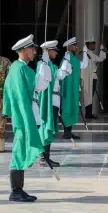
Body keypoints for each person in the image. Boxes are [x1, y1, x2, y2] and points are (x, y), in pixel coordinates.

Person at [3, 34, 51, 202]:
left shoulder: (21, 68)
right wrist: (26, 118)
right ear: (23, 50)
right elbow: (22, 97)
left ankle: (18, 190)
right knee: (18, 153)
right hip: (23, 118)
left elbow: (39, 85)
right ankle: (16, 191)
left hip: (25, 117)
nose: (34, 52)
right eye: (32, 49)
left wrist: (44, 65)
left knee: (21, 152)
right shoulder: (19, 69)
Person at [37, 40, 72, 167]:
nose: (56, 53)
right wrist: (66, 62)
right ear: (48, 51)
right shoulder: (44, 65)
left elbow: (61, 75)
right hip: (49, 102)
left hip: (53, 101)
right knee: (46, 128)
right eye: (54, 51)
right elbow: (61, 75)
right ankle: (43, 157)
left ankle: (45, 157)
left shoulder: (49, 65)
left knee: (48, 129)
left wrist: (66, 62)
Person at [60, 37, 88, 139]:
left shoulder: (72, 58)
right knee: (67, 110)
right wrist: (84, 52)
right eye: (75, 45)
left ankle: (68, 132)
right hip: (68, 90)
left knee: (71, 109)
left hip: (72, 89)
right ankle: (67, 132)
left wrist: (85, 52)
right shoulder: (67, 58)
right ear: (70, 46)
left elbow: (83, 65)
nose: (76, 47)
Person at [80, 37, 107, 119]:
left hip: (90, 76)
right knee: (88, 95)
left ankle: (89, 113)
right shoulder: (88, 53)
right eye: (93, 44)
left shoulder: (90, 53)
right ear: (89, 44)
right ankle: (88, 113)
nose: (94, 45)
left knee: (89, 95)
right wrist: (102, 50)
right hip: (89, 77)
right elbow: (100, 59)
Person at [0, 55, 11, 152]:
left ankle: (0, 146)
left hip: (2, 96)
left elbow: (10, 79)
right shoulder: (5, 61)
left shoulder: (5, 61)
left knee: (1, 123)